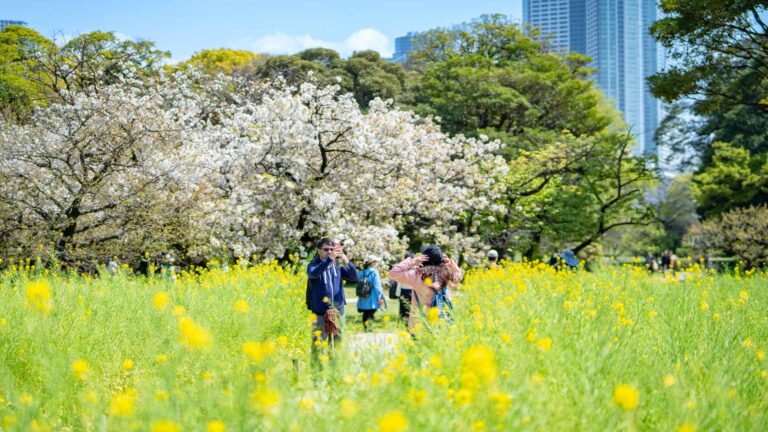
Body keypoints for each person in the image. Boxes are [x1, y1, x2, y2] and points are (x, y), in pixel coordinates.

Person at [306, 238, 357, 366]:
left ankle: (334, 373)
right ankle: (316, 376)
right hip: (319, 312)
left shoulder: (337, 265)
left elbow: (354, 277)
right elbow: (313, 274)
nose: (329, 252)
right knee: (318, 344)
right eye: (326, 249)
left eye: (331, 249)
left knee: (337, 343)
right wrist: (328, 260)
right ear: (318, 251)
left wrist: (345, 259)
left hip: (338, 311)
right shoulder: (313, 265)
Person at [389, 245, 463, 332]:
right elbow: (459, 276)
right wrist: (451, 264)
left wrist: (413, 261)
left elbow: (393, 273)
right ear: (442, 260)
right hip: (441, 323)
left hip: (419, 324)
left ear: (424, 259)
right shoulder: (447, 275)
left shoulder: (416, 275)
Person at [356, 256, 384, 332]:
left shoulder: (362, 272)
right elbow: (377, 286)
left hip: (363, 295)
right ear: (372, 263)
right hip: (372, 295)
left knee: (365, 312)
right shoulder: (375, 272)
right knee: (371, 312)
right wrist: (380, 297)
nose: (377, 263)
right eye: (376, 262)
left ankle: (365, 327)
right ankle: (369, 328)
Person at [387, 252, 414, 327]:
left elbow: (399, 282)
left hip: (403, 291)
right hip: (411, 291)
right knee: (410, 309)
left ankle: (404, 323)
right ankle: (408, 324)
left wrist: (398, 294)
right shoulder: (414, 268)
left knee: (403, 309)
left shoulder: (402, 268)